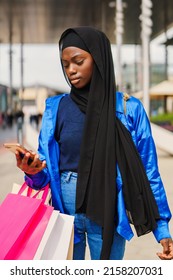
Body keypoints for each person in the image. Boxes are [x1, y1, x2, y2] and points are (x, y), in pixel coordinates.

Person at [16, 27, 173, 260]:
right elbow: (45, 172)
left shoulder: (128, 109)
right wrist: (32, 171)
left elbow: (149, 170)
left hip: (109, 212)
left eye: (78, 61)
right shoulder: (55, 108)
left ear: (98, 58)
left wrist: (162, 228)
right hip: (64, 214)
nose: (71, 70)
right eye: (66, 64)